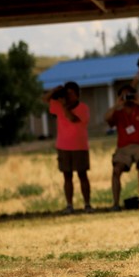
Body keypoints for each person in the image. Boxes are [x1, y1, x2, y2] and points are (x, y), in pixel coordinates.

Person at [42, 82, 92, 214]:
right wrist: (54, 91)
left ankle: (87, 204)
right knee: (67, 176)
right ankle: (69, 205)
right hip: (63, 146)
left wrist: (64, 106)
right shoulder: (59, 105)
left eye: (71, 94)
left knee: (83, 175)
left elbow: (72, 118)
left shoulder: (83, 108)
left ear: (77, 95)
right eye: (66, 94)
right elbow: (44, 99)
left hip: (80, 146)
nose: (68, 97)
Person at [105, 84, 139, 211]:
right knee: (116, 170)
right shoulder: (118, 112)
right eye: (124, 96)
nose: (127, 98)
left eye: (129, 95)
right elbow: (107, 119)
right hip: (124, 148)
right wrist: (117, 105)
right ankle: (115, 203)